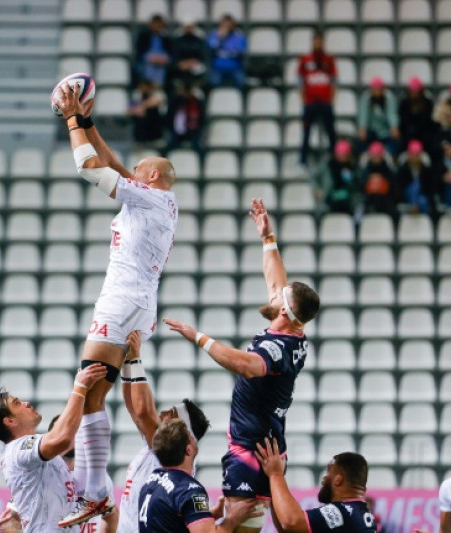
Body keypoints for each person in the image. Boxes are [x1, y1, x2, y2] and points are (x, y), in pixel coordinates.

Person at [52, 81, 180, 525]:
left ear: (152, 178)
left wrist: (71, 121)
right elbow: (117, 166)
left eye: (140, 167)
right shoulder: (155, 199)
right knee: (94, 393)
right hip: (136, 302)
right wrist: (89, 123)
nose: (132, 170)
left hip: (122, 299)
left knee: (87, 387)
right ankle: (95, 493)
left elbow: (90, 169)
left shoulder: (150, 198)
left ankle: (94, 493)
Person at [163, 197, 321, 533]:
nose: (276, 292)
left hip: (249, 450)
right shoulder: (294, 333)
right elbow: (277, 281)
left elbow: (245, 365)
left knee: (237, 527)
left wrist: (198, 337)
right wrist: (268, 238)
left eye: (281, 296)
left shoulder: (277, 350)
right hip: (266, 444)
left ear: (283, 312)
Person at [0, 363, 108, 531]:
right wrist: (80, 388)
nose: (27, 403)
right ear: (10, 421)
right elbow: (62, 439)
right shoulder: (18, 449)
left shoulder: (29, 452)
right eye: (17, 403)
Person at [119, 331, 212, 533]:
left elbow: (143, 411)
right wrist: (127, 363)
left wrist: (135, 358)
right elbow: (133, 406)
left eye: (171, 413)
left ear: (184, 430)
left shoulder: (169, 450)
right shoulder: (165, 447)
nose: (162, 412)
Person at [137, 419, 259, 533]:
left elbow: (170, 521)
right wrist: (233, 518)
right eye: (190, 437)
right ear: (188, 450)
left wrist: (211, 514)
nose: (194, 438)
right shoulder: (189, 490)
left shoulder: (150, 483)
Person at [254, 438, 378, 533]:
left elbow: (291, 521)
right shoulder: (361, 514)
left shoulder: (341, 512)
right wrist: (273, 483)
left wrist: (276, 474)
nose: (324, 477)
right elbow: (290, 529)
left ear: (338, 480)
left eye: (329, 471)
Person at [46, 415, 119, 533]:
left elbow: (110, 516)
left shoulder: (100, 477)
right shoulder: (41, 476)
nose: (67, 437)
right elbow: (12, 520)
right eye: (62, 432)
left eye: (73, 431)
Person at [297, 30, 337, 167]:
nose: (318, 44)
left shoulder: (329, 60)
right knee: (306, 132)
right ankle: (303, 160)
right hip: (310, 102)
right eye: (316, 41)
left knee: (331, 132)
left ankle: (335, 159)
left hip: (325, 102)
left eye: (320, 41)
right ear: (312, 42)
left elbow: (334, 80)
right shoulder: (305, 59)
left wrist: (331, 99)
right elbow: (300, 80)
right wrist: (303, 99)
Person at [357, 77, 400, 156]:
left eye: (378, 89)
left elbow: (392, 114)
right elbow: (363, 114)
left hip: (385, 131)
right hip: (371, 130)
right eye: (374, 89)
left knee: (396, 140)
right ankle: (363, 160)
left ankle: (391, 160)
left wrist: (394, 126)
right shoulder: (366, 98)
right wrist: (362, 128)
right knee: (359, 141)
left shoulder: (389, 98)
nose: (376, 92)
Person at [313, 139, 358, 215]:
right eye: (340, 154)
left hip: (347, 201)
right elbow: (314, 177)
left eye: (344, 154)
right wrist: (317, 189)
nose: (342, 157)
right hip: (330, 199)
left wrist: (351, 180)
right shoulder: (328, 165)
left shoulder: (353, 167)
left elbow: (355, 187)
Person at [164, 80, 205, 156]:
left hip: (193, 131)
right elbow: (169, 117)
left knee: (198, 149)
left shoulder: (196, 102)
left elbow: (201, 119)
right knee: (168, 149)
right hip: (175, 132)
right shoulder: (174, 102)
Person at [207, 15, 247, 89]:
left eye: (229, 24)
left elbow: (239, 51)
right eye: (224, 24)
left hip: (235, 67)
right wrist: (220, 38)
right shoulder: (214, 35)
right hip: (217, 67)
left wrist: (228, 52)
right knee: (213, 83)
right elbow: (211, 49)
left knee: (242, 83)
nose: (227, 26)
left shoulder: (239, 36)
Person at [396, 139, 434, 215]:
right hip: (407, 194)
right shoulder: (404, 169)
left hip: (421, 194)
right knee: (415, 185)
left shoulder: (425, 169)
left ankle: (416, 211)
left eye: (417, 155)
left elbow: (429, 186)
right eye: (413, 154)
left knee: (423, 201)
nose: (415, 157)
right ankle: (413, 205)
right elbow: (400, 185)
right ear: (409, 155)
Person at [359, 142, 397, 218]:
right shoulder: (365, 170)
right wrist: (370, 181)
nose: (375, 157)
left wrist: (382, 181)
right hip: (368, 198)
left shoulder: (387, 169)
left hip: (385, 197)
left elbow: (393, 186)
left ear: (382, 155)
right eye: (373, 154)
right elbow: (360, 185)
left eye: (377, 154)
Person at [398, 76, 437, 149]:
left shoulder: (427, 103)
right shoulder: (404, 103)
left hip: (424, 131)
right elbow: (403, 119)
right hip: (408, 131)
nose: (414, 92)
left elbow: (428, 119)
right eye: (412, 90)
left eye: (416, 90)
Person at [128, 80, 168, 151]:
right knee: (140, 115)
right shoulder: (137, 96)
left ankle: (154, 139)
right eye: (142, 87)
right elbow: (128, 112)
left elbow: (156, 102)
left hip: (155, 127)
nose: (144, 89)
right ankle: (140, 140)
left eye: (146, 87)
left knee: (151, 111)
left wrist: (142, 106)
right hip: (141, 130)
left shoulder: (158, 94)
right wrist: (138, 110)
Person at [134, 14, 172, 87]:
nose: (157, 26)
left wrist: (164, 59)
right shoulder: (143, 36)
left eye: (159, 24)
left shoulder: (166, 38)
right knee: (147, 68)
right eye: (155, 24)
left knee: (163, 69)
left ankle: (158, 87)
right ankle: (149, 86)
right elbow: (139, 52)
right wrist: (150, 57)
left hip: (162, 62)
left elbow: (170, 53)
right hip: (147, 61)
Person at [172, 18, 208, 86]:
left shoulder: (199, 41)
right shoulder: (178, 41)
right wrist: (181, 63)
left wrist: (194, 62)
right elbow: (175, 54)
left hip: (196, 65)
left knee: (201, 70)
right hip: (181, 66)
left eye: (190, 27)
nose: (189, 28)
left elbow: (203, 55)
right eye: (187, 27)